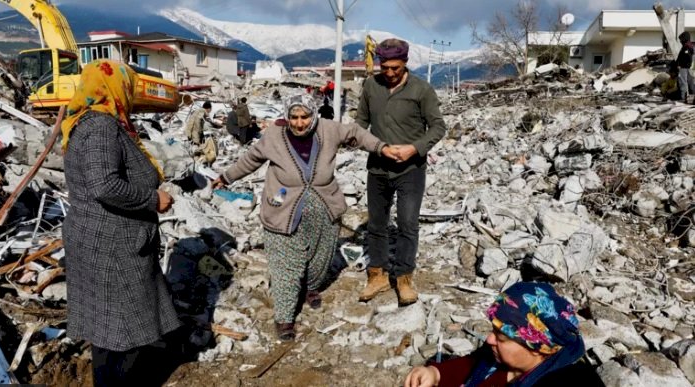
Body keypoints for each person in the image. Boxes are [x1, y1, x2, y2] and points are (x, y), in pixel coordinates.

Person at [212, 93, 398, 341]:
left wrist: (381, 147)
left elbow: (355, 133)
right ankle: (285, 318)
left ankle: (311, 287)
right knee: (286, 267)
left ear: (314, 114)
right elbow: (251, 160)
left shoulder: (329, 129)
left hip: (325, 208)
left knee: (320, 259)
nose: (299, 123)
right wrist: (226, 177)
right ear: (287, 116)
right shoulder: (274, 137)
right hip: (283, 210)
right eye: (294, 117)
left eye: (305, 116)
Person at [60, 60, 181, 386]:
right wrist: (153, 200)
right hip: (112, 245)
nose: (129, 92)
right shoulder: (101, 126)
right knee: (125, 329)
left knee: (108, 329)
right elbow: (104, 186)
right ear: (113, 88)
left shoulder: (86, 123)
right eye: (126, 86)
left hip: (102, 238)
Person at [355, 38, 447, 306]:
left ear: (405, 63)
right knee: (376, 224)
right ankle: (378, 275)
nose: (390, 73)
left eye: (395, 67)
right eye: (385, 67)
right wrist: (370, 144)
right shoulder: (371, 86)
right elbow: (361, 123)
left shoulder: (422, 89)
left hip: (411, 169)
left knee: (407, 223)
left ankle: (404, 277)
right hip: (378, 167)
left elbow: (438, 127)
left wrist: (414, 148)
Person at [404, 282, 605, 387]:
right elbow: (472, 363)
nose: (489, 339)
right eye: (494, 331)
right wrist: (436, 374)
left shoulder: (571, 383)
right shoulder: (500, 356)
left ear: (537, 348)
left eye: (501, 337)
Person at [677, 31, 695, 102]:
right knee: (692, 83)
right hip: (691, 68)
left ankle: (684, 98)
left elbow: (685, 58)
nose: (680, 41)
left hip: (685, 68)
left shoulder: (686, 47)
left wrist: (679, 65)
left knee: (683, 83)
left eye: (681, 39)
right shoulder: (691, 46)